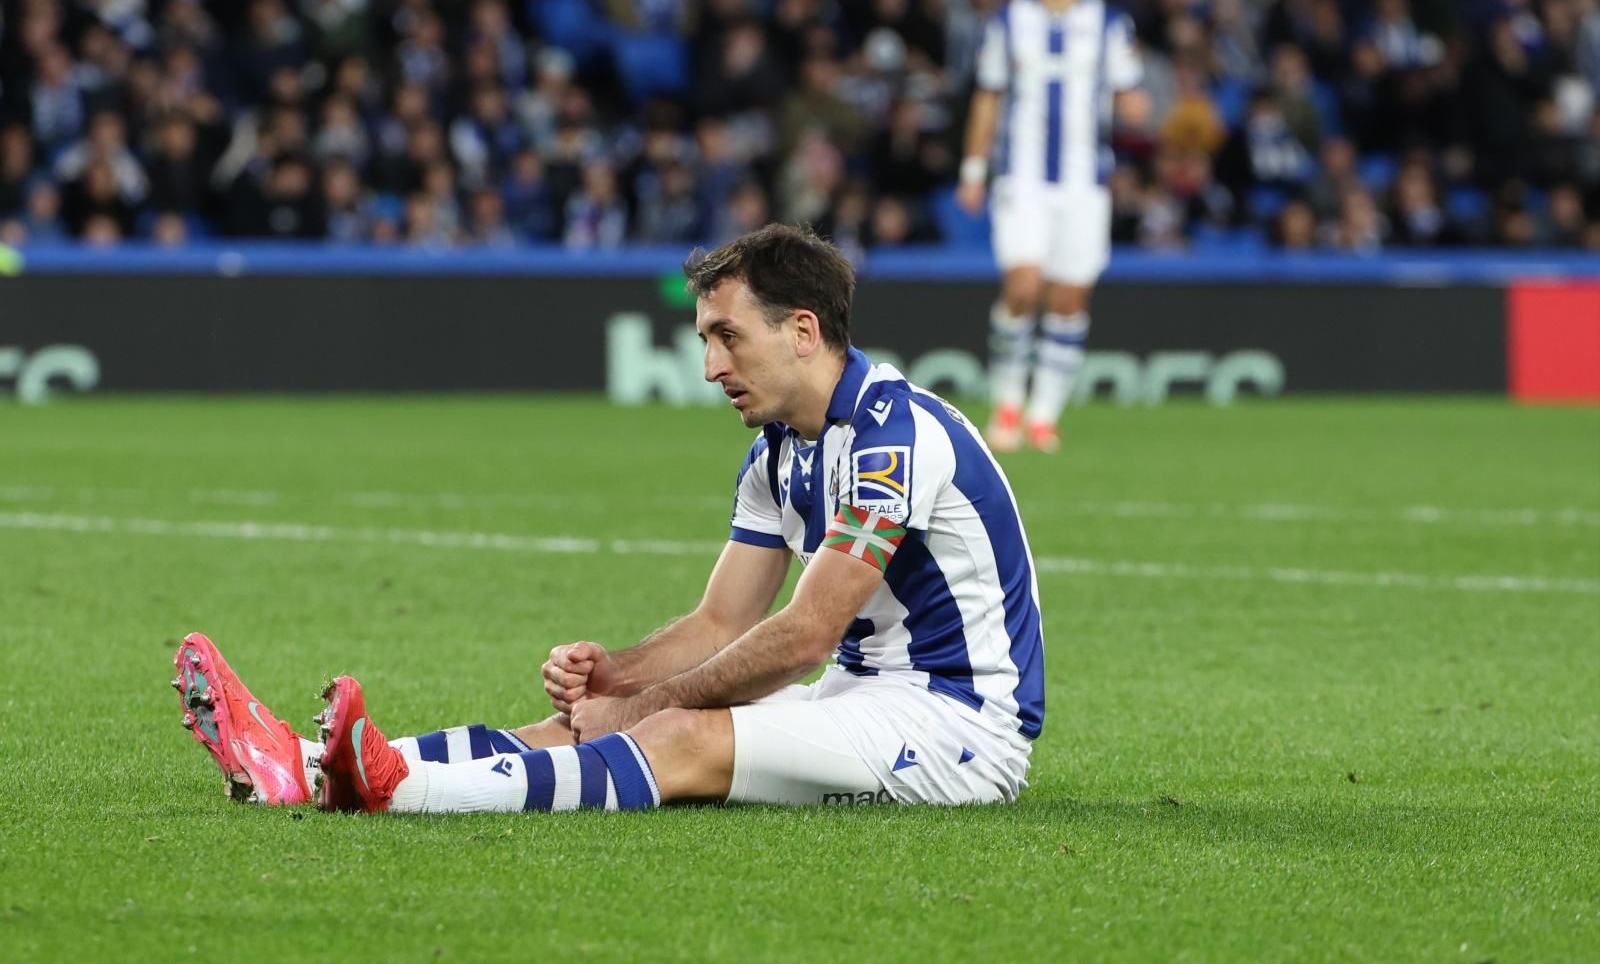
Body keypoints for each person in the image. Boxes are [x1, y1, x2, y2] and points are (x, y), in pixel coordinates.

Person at [173, 224, 1045, 813]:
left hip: (957, 726)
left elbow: (806, 634)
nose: (710, 366)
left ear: (804, 331)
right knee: (594, 720)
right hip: (864, 700)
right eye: (704, 338)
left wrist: (647, 702)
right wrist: (616, 677)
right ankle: (314, 766)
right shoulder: (780, 451)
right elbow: (720, 621)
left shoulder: (894, 436)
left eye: (727, 337)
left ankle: (396, 792)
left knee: (674, 733)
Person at [958, 0, 1149, 453]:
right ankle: (1008, 401)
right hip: (1022, 178)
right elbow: (988, 95)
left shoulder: (1111, 22)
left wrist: (1139, 107)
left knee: (1068, 299)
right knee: (1022, 286)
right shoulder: (1008, 20)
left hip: (1085, 184)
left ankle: (1044, 414)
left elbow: (1131, 93)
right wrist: (973, 170)